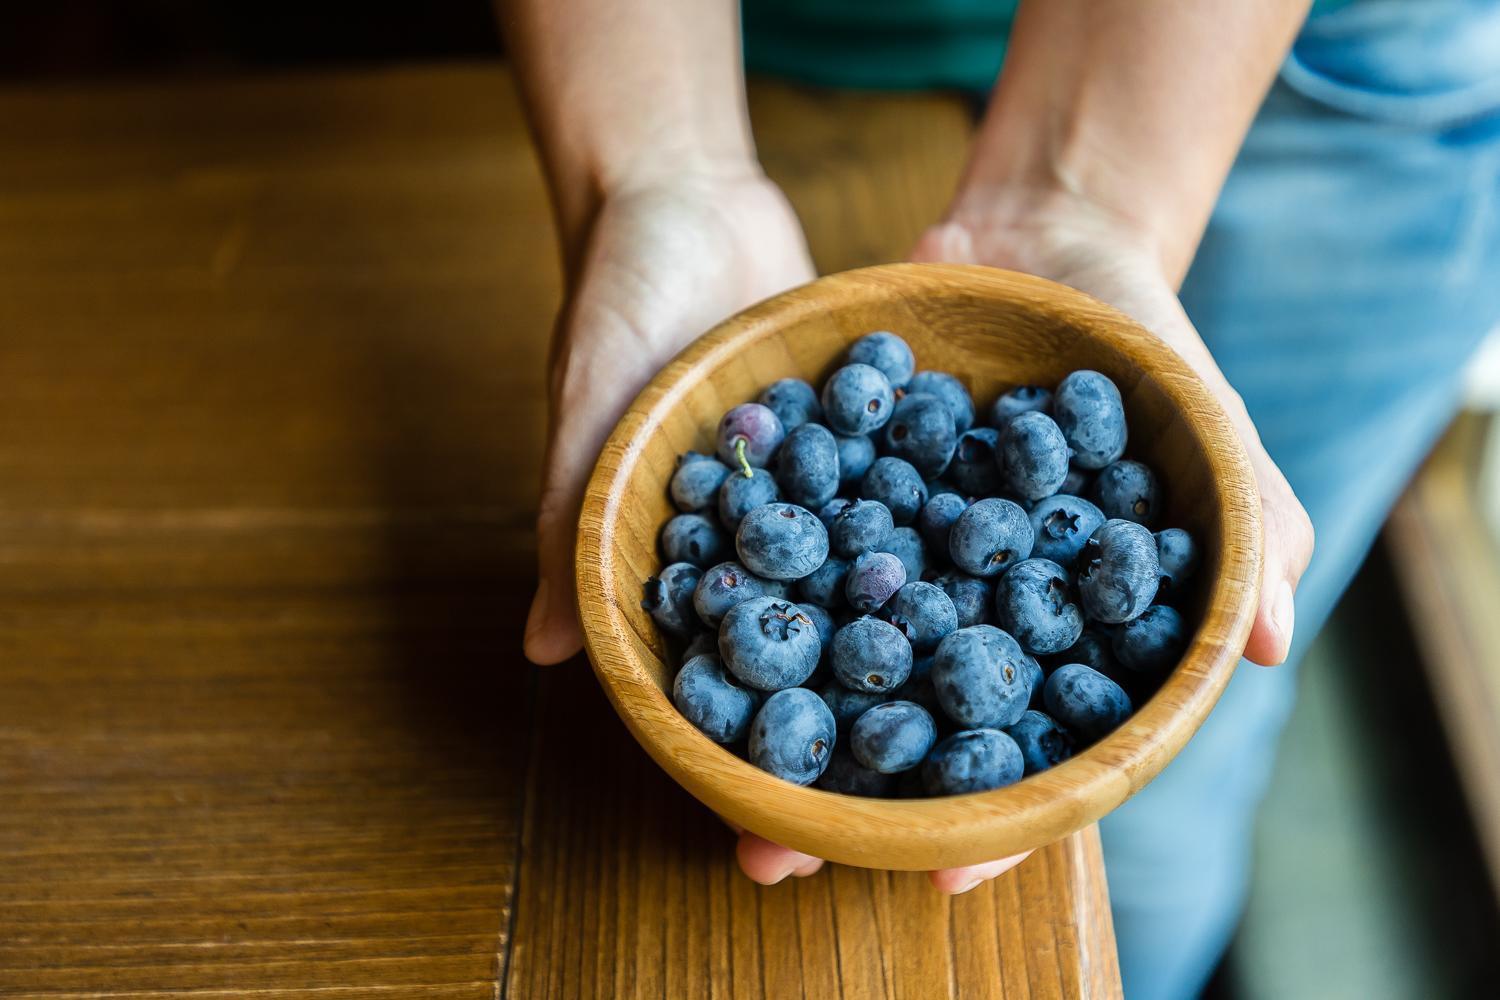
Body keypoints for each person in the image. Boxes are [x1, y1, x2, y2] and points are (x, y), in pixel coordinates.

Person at [502, 0, 1500, 995]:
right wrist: (656, 173)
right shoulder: (838, 553)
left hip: (1288, 63)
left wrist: (1092, 207)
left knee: (1167, 796)